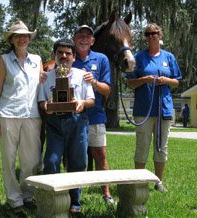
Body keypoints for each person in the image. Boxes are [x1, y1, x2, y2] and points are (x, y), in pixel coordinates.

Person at [0, 20, 43, 216]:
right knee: (9, 159)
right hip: (8, 115)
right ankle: (14, 200)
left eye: (25, 35)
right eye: (18, 36)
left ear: (29, 39)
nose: (22, 39)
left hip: (32, 116)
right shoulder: (3, 60)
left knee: (31, 160)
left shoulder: (37, 60)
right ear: (12, 40)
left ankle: (28, 195)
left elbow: (44, 82)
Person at [38, 38, 95, 213]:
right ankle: (53, 198)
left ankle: (74, 201)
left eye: (67, 53)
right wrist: (46, 106)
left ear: (74, 56)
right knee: (51, 161)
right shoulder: (47, 77)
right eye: (60, 53)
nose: (64, 56)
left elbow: (91, 100)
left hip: (77, 123)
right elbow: (41, 100)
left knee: (78, 162)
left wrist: (82, 104)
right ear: (55, 55)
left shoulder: (82, 75)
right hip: (55, 124)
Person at [126, 23, 182, 192]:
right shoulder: (138, 57)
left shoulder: (169, 57)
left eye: (154, 33)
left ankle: (158, 182)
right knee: (142, 146)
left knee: (161, 146)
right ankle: (140, 182)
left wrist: (166, 81)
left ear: (160, 35)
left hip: (163, 109)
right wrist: (144, 79)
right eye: (148, 34)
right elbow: (130, 82)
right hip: (144, 110)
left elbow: (177, 81)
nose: (151, 36)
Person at [72, 25, 115, 204]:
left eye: (87, 36)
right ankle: (73, 194)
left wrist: (94, 82)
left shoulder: (102, 59)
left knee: (100, 155)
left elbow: (107, 90)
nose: (84, 38)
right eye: (80, 35)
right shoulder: (67, 57)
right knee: (74, 156)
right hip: (72, 117)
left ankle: (106, 193)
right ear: (74, 39)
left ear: (93, 41)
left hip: (95, 116)